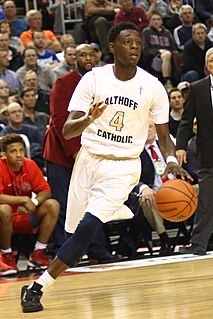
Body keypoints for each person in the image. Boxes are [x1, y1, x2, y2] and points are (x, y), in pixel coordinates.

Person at [20, 22, 190, 313]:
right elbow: (69, 130)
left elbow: (163, 137)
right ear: (112, 47)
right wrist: (89, 118)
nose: (134, 47)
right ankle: (37, 283)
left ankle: (38, 288)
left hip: (124, 167)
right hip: (89, 160)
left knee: (88, 228)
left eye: (138, 42)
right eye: (127, 42)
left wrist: (171, 163)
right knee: (76, 233)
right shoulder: (93, 80)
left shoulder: (152, 86)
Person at [43, 43, 119, 262]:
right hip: (61, 154)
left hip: (93, 150)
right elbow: (59, 122)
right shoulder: (63, 83)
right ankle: (68, 254)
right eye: (82, 55)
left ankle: (98, 250)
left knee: (94, 204)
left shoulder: (103, 82)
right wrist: (75, 152)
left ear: (96, 57)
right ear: (74, 59)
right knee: (68, 205)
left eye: (91, 54)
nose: (87, 58)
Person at [0, 133, 60, 276]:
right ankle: (6, 255)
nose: (19, 155)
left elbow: (45, 191)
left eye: (21, 150)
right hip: (4, 218)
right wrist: (23, 200)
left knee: (52, 205)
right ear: (4, 154)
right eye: (13, 151)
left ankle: (38, 254)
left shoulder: (29, 164)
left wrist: (33, 201)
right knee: (4, 209)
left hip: (25, 215)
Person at [176, 47, 213, 256]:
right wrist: (180, 146)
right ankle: (198, 244)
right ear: (206, 65)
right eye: (211, 60)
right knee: (207, 200)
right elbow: (186, 121)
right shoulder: (197, 88)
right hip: (209, 154)